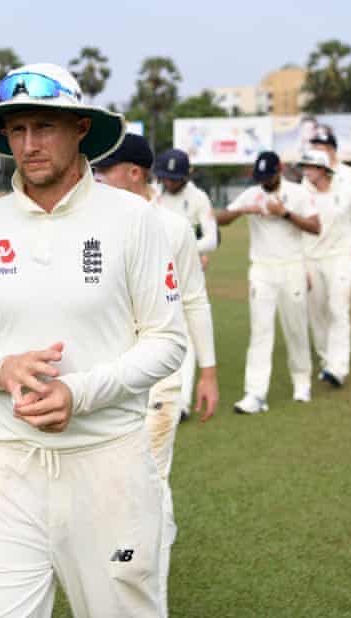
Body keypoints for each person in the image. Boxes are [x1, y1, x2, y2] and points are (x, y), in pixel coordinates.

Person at [0, 63, 186, 618]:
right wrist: (1, 368)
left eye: (44, 127)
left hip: (109, 464)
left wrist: (81, 392)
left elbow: (168, 342)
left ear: (80, 129)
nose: (30, 144)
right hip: (4, 464)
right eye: (18, 130)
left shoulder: (134, 220)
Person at [93, 133, 218, 617]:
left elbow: (193, 299)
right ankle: (119, 580)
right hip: (103, 377)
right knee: (116, 484)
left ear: (135, 174)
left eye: (107, 170)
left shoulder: (172, 227)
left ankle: (149, 600)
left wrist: (207, 371)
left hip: (161, 377)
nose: (98, 178)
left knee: (148, 481)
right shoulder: (94, 221)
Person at [216, 151, 321, 412]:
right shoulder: (252, 193)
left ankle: (302, 383)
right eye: (261, 178)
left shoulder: (298, 193)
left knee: (295, 328)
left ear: (280, 170)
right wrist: (242, 210)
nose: (265, 182)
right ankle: (255, 393)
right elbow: (219, 219)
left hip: (292, 267)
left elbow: (315, 226)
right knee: (260, 331)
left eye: (269, 176)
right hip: (262, 270)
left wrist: (284, 213)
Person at [153, 148, 218, 418]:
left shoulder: (198, 198)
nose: (169, 182)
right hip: (156, 273)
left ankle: (180, 403)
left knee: (188, 336)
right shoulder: (154, 194)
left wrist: (185, 249)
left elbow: (212, 240)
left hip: (186, 273)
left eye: (174, 178)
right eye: (166, 177)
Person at [304, 126, 351, 388]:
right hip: (311, 255)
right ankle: (326, 360)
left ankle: (338, 367)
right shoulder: (306, 179)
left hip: (340, 255)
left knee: (338, 310)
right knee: (317, 312)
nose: (314, 153)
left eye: (318, 147)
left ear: (330, 149)